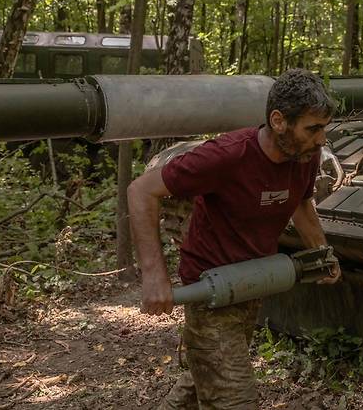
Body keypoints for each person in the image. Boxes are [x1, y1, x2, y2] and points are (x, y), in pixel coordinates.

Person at [127, 68, 342, 409]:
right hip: (210, 289)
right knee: (234, 397)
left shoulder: (305, 156)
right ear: (278, 121)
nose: (321, 140)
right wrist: (154, 275)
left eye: (324, 129)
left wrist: (321, 251)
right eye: (313, 129)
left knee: (205, 378)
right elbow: (141, 191)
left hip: (252, 284)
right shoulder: (227, 155)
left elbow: (301, 203)